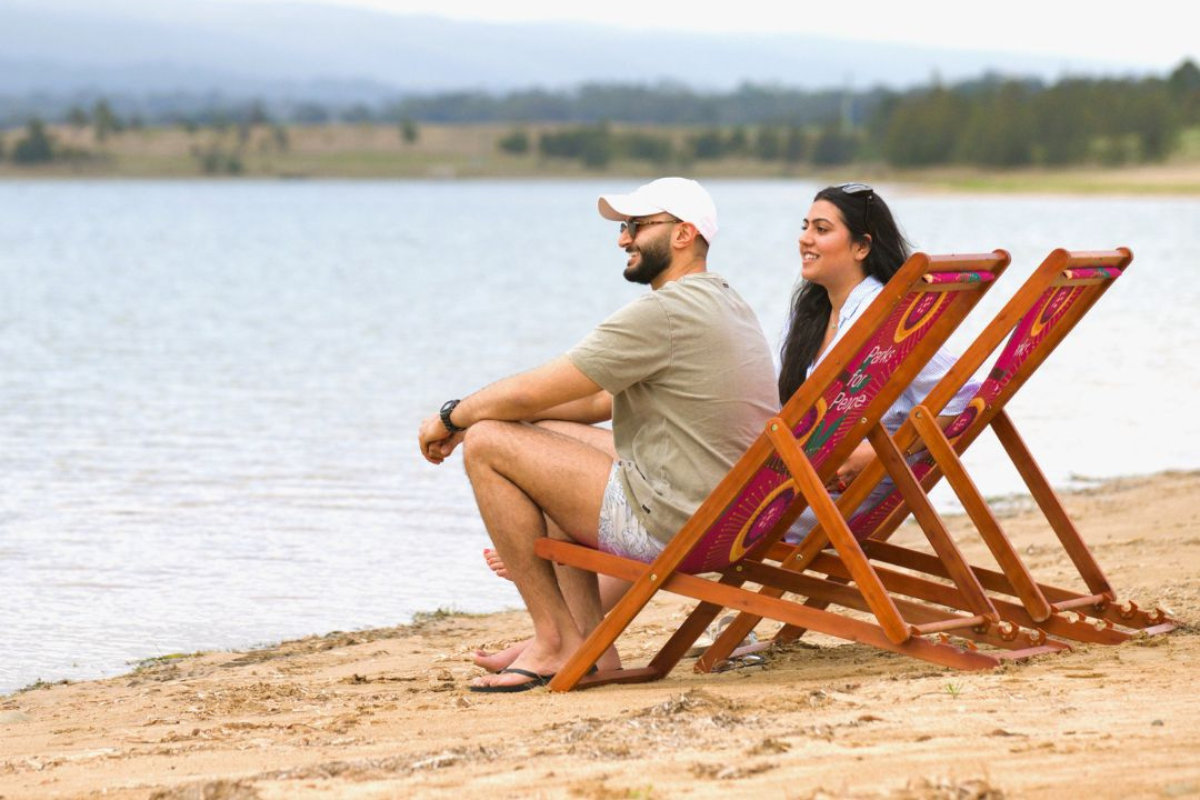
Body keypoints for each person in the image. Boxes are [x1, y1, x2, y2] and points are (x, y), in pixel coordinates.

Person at [418, 177, 777, 692]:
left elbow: (533, 389)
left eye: (635, 226)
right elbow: (590, 401)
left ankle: (554, 639)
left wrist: (454, 418)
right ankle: (592, 643)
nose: (623, 239)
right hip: (725, 512)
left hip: (681, 525)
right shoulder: (722, 301)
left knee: (490, 443)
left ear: (684, 234)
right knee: (537, 431)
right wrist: (492, 417)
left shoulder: (665, 313)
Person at [781, 182, 977, 541]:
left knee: (693, 509)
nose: (805, 239)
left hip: (846, 496)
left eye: (821, 229)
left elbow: (963, 395)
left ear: (862, 246)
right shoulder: (817, 314)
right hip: (812, 485)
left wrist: (877, 453)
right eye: (805, 226)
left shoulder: (889, 317)